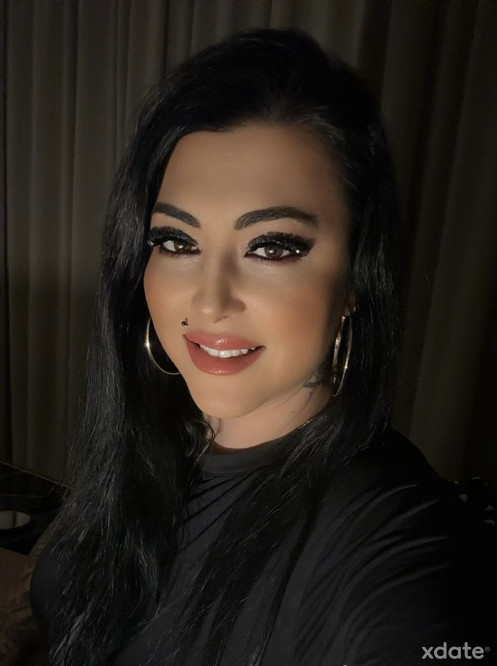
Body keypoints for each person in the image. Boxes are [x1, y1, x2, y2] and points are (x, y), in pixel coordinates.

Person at [29, 28, 496, 665]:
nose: (209, 301)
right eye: (177, 242)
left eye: (272, 247)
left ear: (356, 278)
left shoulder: (390, 537)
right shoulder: (153, 439)